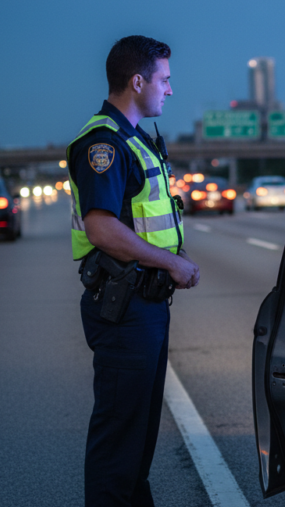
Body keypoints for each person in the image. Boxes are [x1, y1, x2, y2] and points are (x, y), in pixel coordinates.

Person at [66, 35, 200, 506]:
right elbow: (102, 229)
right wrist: (172, 262)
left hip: (145, 303)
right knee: (119, 440)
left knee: (137, 439)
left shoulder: (134, 140)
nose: (169, 90)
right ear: (137, 80)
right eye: (164, 79)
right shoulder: (103, 144)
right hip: (123, 308)